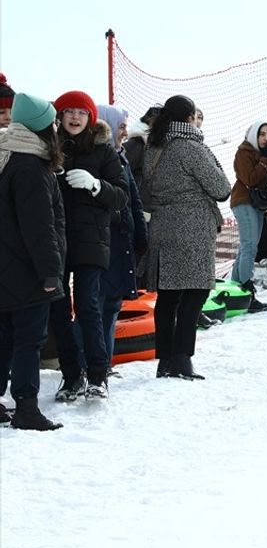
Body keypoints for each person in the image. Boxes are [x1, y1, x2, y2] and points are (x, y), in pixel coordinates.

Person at [143, 95, 231, 380]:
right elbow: (221, 188)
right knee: (195, 292)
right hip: (191, 226)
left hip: (162, 224)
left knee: (168, 297)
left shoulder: (154, 146)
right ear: (190, 117)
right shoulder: (191, 146)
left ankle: (165, 360)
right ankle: (182, 359)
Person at [50, 91, 129, 401]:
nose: (74, 117)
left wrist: (97, 185)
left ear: (90, 118)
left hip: (92, 241)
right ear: (59, 117)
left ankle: (97, 375)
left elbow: (121, 195)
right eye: (68, 111)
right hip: (55, 241)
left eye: (81, 112)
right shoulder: (49, 149)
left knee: (88, 307)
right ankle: (71, 376)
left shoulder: (104, 152)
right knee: (57, 311)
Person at [0, 93, 66, 430]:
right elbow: (40, 228)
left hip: (5, 270)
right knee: (29, 340)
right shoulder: (31, 166)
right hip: (27, 272)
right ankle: (26, 407)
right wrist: (51, 273)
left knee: (4, 338)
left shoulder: (6, 155)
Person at [95, 104, 149, 365]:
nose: (125, 132)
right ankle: (90, 363)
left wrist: (140, 235)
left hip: (122, 241)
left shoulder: (121, 156)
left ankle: (103, 363)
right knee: (98, 305)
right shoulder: (99, 157)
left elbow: (133, 200)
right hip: (104, 242)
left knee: (112, 306)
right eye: (121, 126)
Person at [230, 121, 267, 313]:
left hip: (258, 205)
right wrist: (265, 162)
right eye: (262, 134)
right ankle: (247, 291)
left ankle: (235, 291)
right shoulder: (244, 152)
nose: (266, 138)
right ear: (253, 135)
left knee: (247, 247)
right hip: (244, 201)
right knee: (249, 246)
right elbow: (249, 179)